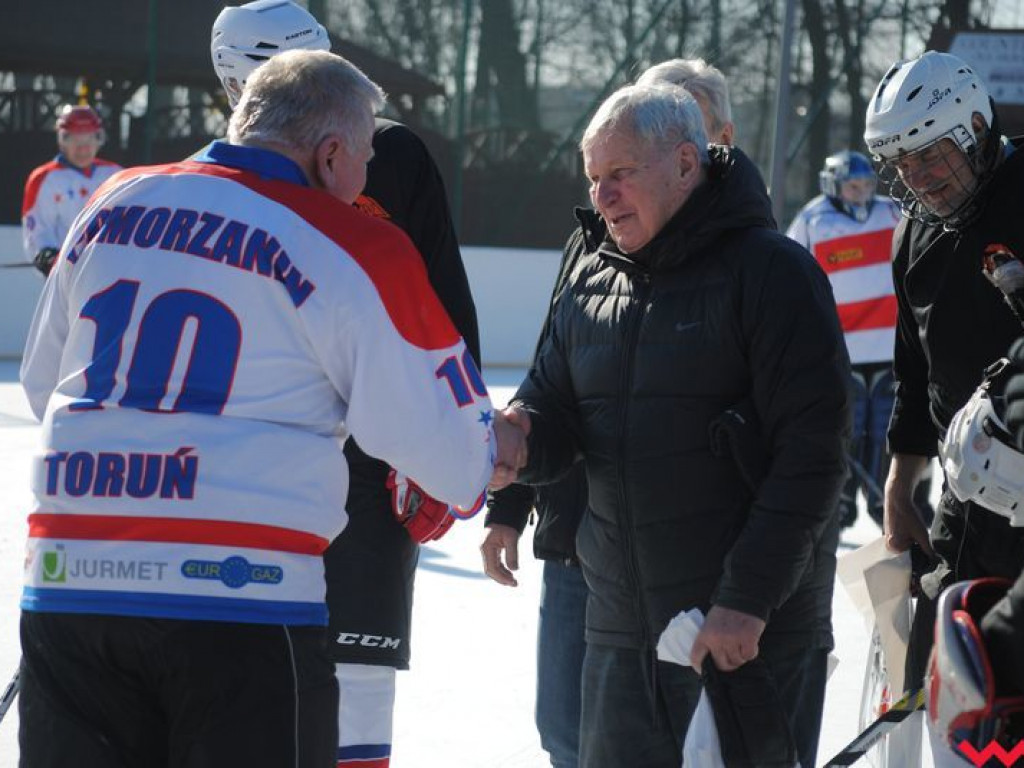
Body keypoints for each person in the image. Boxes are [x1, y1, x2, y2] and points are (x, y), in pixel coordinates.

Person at [17, 49, 500, 768]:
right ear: (333, 153)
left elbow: (41, 383)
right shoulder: (359, 242)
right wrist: (500, 452)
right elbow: (457, 461)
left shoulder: (114, 199)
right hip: (239, 598)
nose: (367, 175)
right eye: (366, 155)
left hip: (71, 585)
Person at [490, 83, 849, 768]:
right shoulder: (592, 279)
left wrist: (745, 601)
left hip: (743, 634)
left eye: (620, 174)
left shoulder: (773, 274)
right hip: (622, 633)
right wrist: (519, 440)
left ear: (686, 164)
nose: (601, 195)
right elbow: (552, 408)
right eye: (594, 179)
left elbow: (811, 457)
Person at [210, 4, 481, 766]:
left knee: (347, 671)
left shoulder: (389, 155)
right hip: (276, 465)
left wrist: (448, 438)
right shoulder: (214, 170)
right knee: (268, 675)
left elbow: (444, 307)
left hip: (332, 460)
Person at [481, 57, 738, 768]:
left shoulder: (755, 261)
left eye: (685, 124)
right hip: (580, 535)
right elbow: (547, 381)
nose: (616, 189)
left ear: (709, 144)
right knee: (566, 729)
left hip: (690, 560)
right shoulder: (591, 243)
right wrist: (508, 507)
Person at [863, 50, 1024, 695]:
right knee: (941, 673)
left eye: (930, 155)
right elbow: (914, 365)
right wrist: (901, 482)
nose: (918, 178)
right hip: (966, 498)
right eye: (902, 163)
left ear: (976, 131)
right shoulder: (914, 234)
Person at [785, 150, 929, 529]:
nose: (862, 193)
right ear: (834, 186)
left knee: (887, 426)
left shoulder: (891, 212)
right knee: (847, 426)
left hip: (891, 345)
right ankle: (840, 502)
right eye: (853, 186)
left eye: (867, 184)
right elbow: (789, 271)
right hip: (840, 349)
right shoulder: (813, 219)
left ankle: (892, 501)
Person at [21, 104, 121, 276]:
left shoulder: (116, 175)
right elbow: (38, 228)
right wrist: (46, 254)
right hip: (66, 275)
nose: (83, 148)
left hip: (109, 272)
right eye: (75, 140)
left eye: (90, 139)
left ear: (99, 138)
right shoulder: (45, 178)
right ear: (63, 139)